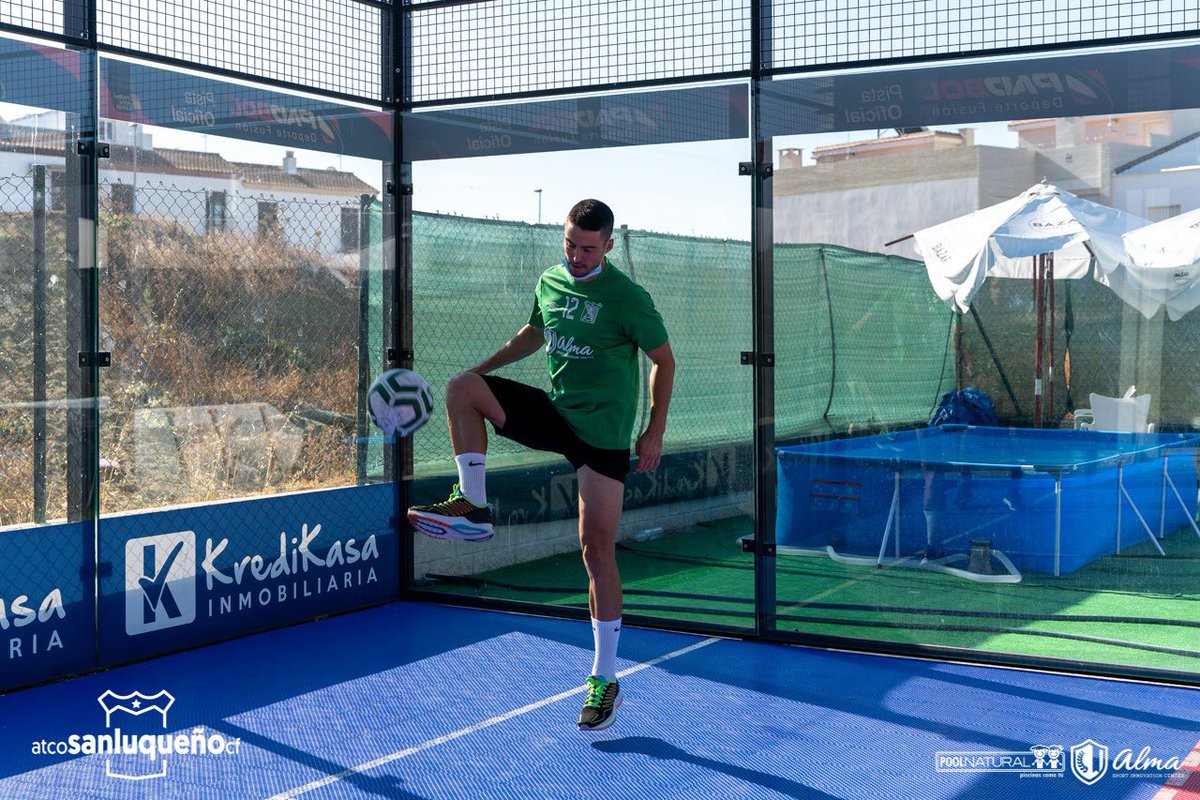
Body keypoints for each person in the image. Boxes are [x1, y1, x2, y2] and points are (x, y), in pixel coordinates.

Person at [407, 199, 675, 732]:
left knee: (595, 551)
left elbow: (663, 360)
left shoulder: (627, 298)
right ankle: (474, 506)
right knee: (463, 388)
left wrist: (654, 429)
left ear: (610, 246)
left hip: (601, 437)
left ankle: (604, 678)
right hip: (556, 413)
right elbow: (535, 332)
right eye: (571, 244)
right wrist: (483, 369)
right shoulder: (551, 280)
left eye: (588, 248)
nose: (577, 256)